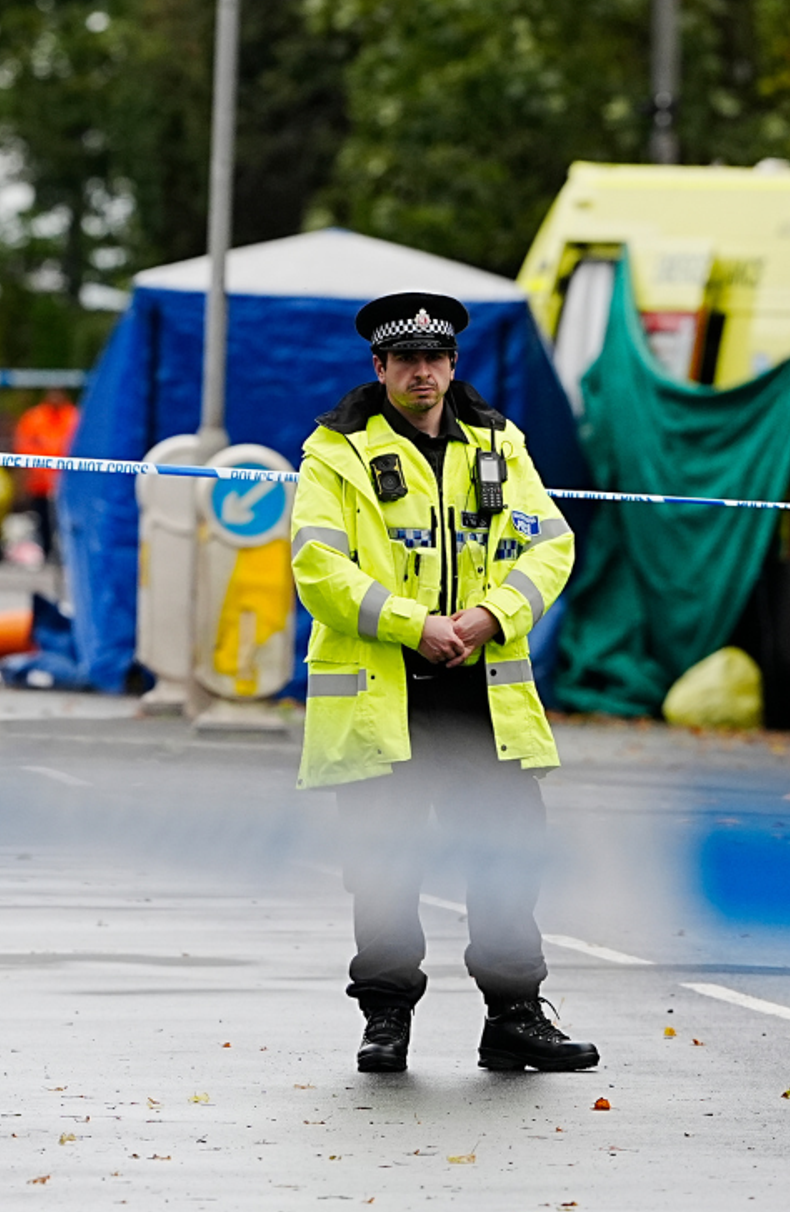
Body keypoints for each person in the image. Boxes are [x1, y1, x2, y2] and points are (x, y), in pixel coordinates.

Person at [290, 291, 598, 1076]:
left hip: (483, 695)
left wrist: (491, 616)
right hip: (382, 693)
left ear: (453, 365)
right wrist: (413, 623)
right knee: (387, 862)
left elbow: (552, 546)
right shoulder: (336, 453)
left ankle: (514, 1018)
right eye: (406, 360)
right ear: (381, 367)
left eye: (435, 359)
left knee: (507, 853)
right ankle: (386, 1020)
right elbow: (318, 569)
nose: (422, 372)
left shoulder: (499, 443)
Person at [11, 388, 79, 561]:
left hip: (68, 484)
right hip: (40, 483)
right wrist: (39, 471)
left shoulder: (74, 417)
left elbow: (81, 447)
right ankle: (47, 551)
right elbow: (25, 446)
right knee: (43, 520)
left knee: (67, 520)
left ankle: (67, 555)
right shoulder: (34, 418)